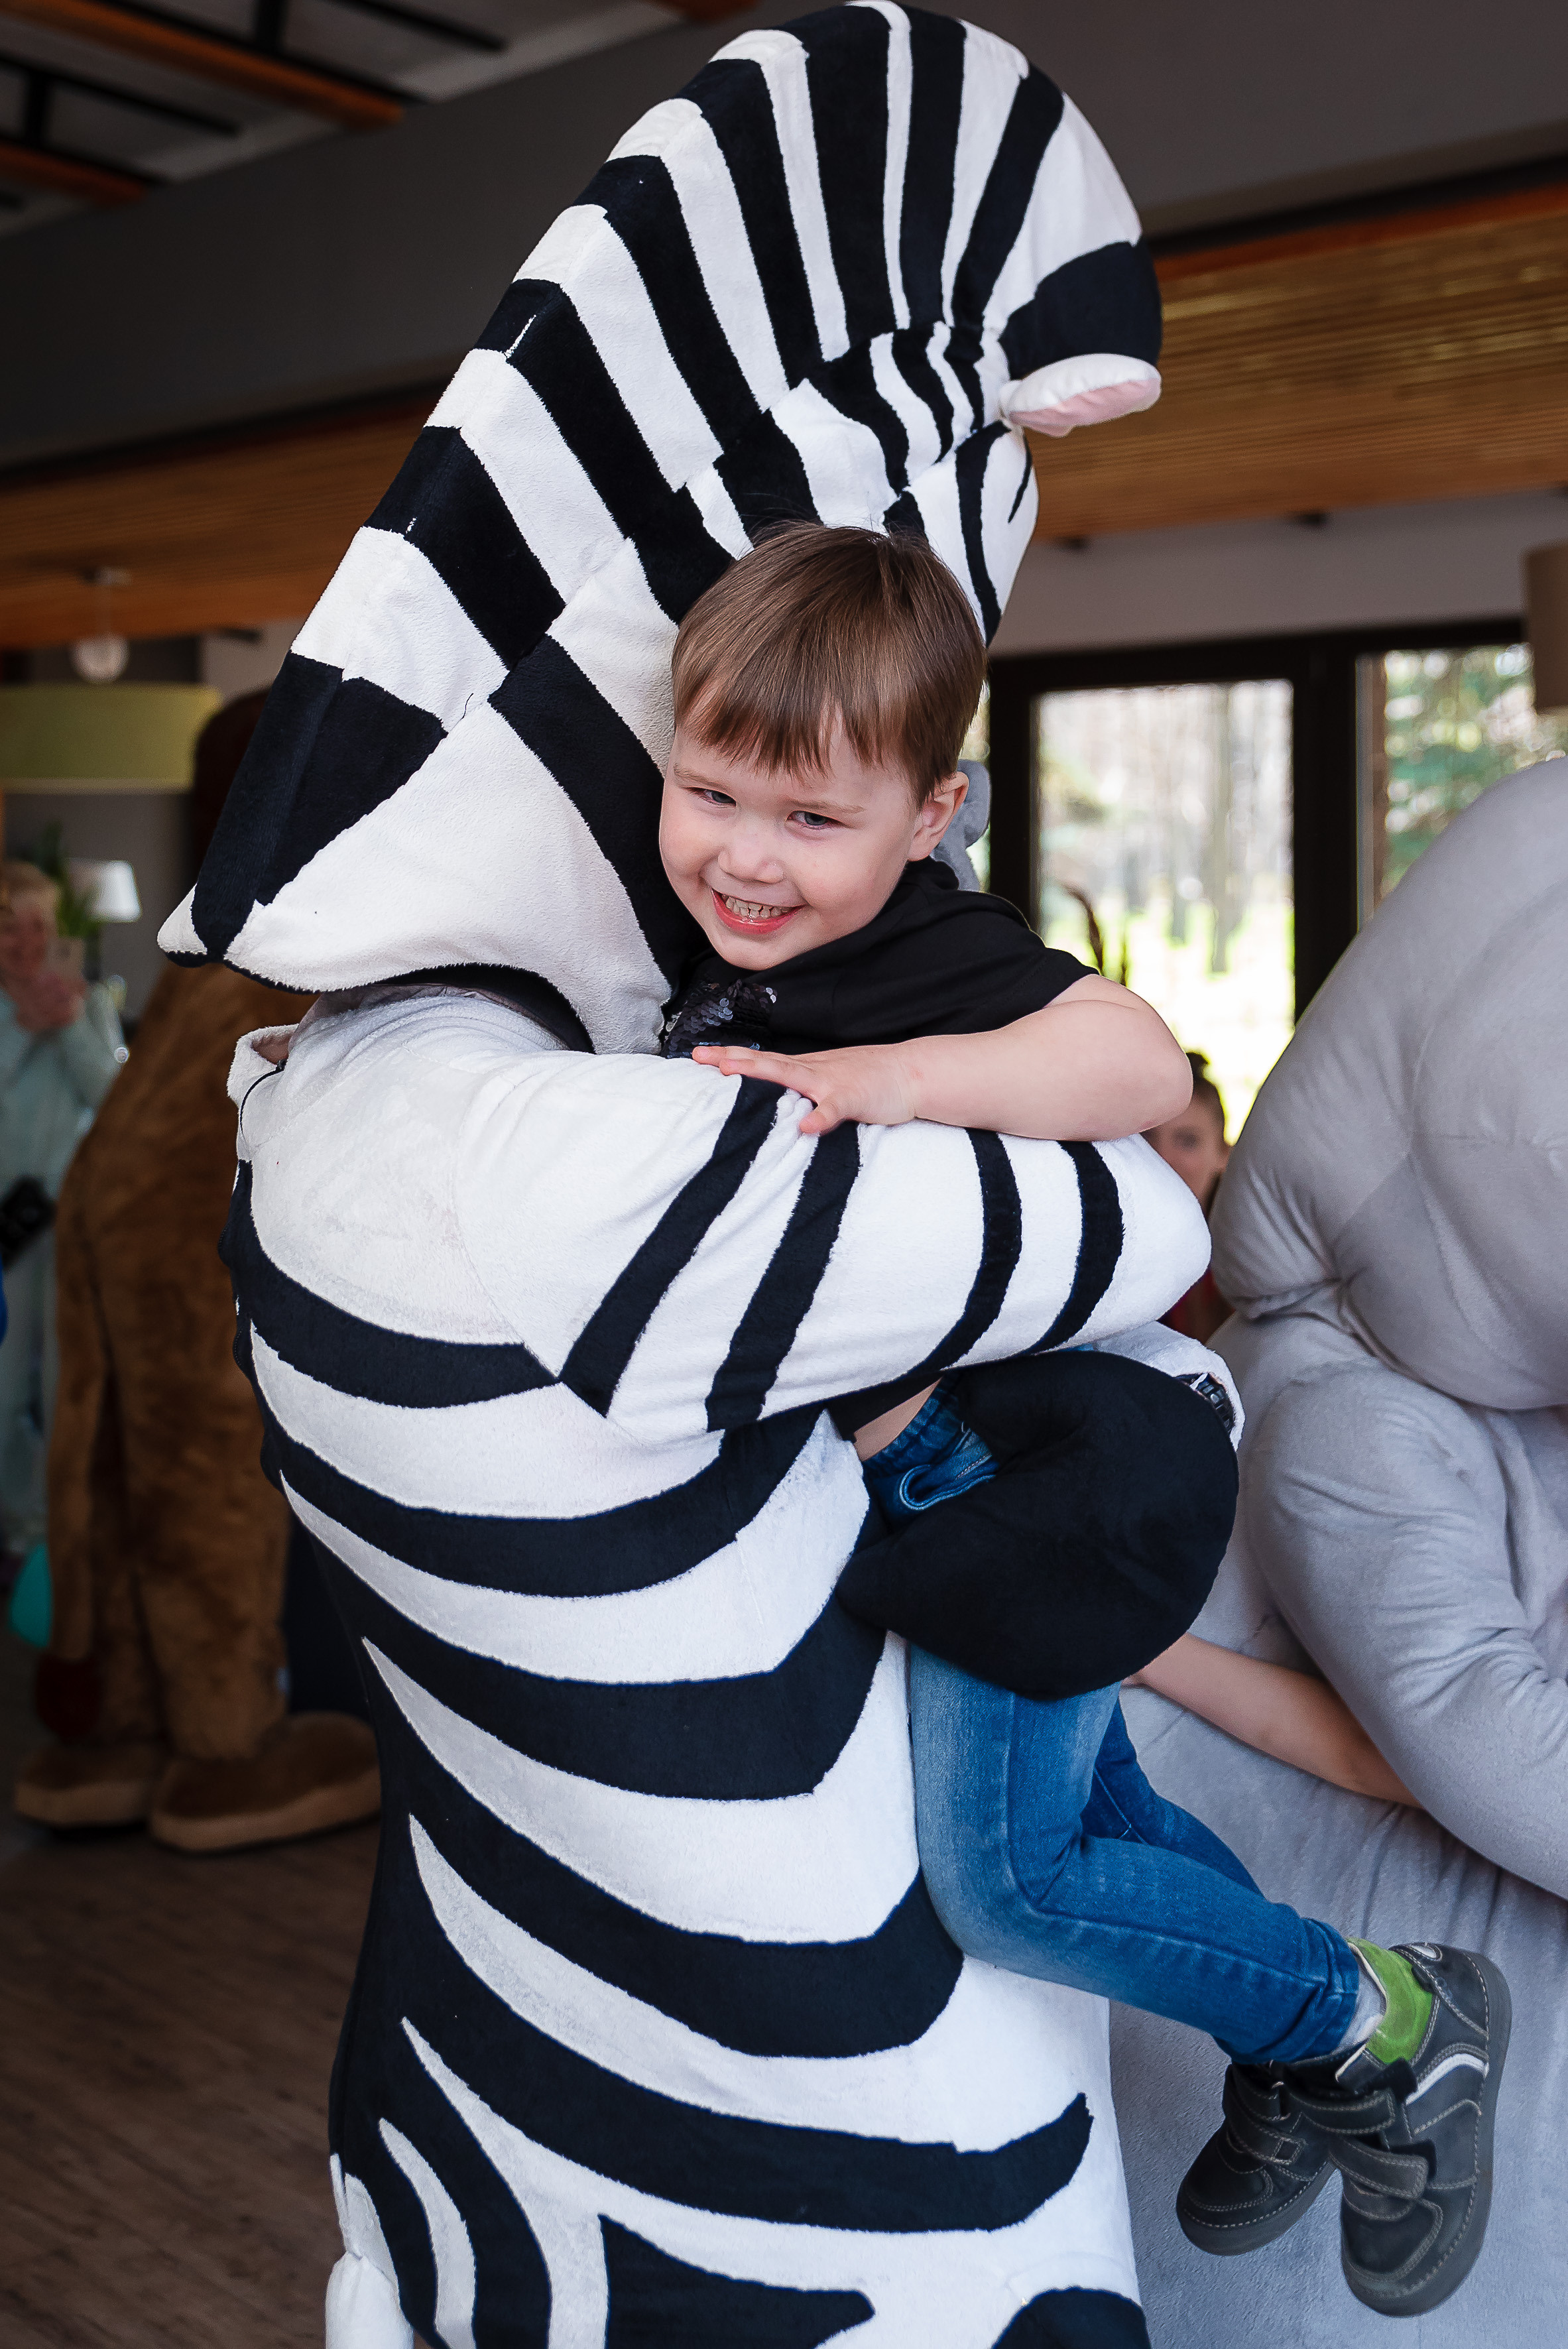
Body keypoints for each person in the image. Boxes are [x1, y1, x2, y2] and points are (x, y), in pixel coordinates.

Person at [668, 524, 1508, 2319]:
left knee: (1009, 1877)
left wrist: (878, 1078)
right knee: (1101, 1812)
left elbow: (1130, 1060)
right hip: (944, 1477)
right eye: (708, 791)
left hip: (1057, 1469)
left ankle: (1369, 2018)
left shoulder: (921, 950)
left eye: (809, 816)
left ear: (929, 817)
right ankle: (1302, 2024)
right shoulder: (727, 940)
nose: (743, 852)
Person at [0, 860, 123, 1575]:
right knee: (3, 1390)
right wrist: (22, 1030)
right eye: (8, 926)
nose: (25, 941)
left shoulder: (92, 999)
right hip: (5, 1231)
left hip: (73, 1223)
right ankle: (22, 1522)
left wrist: (73, 1025)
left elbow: (115, 1102)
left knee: (66, 1386)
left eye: (38, 924)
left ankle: (57, 1531)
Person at [1146, 1051, 1231, 1342]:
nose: (1162, 1157)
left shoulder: (1249, 1269)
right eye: (1145, 1137)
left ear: (1224, 1155)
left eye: (1187, 1141)